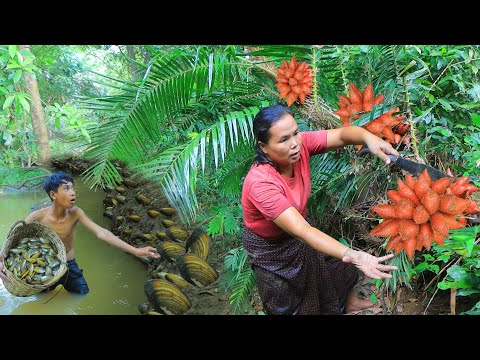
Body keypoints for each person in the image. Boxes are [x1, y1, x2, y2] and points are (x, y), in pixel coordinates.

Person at [241, 104, 399, 315]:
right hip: (271, 248)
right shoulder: (261, 184)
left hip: (300, 230)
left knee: (335, 268)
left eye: (296, 133)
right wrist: (354, 255)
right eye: (283, 140)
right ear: (263, 147)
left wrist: (368, 138)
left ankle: (350, 304)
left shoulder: (300, 146)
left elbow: (342, 135)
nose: (295, 143)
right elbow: (303, 231)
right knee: (285, 302)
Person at [0, 172, 160, 294]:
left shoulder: (76, 213)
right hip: (45, 268)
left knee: (83, 294)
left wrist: (136, 251)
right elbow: (13, 239)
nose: (73, 193)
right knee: (40, 298)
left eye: (73, 188)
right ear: (53, 195)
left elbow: (102, 233)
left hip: (69, 265)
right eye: (66, 189)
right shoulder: (37, 216)